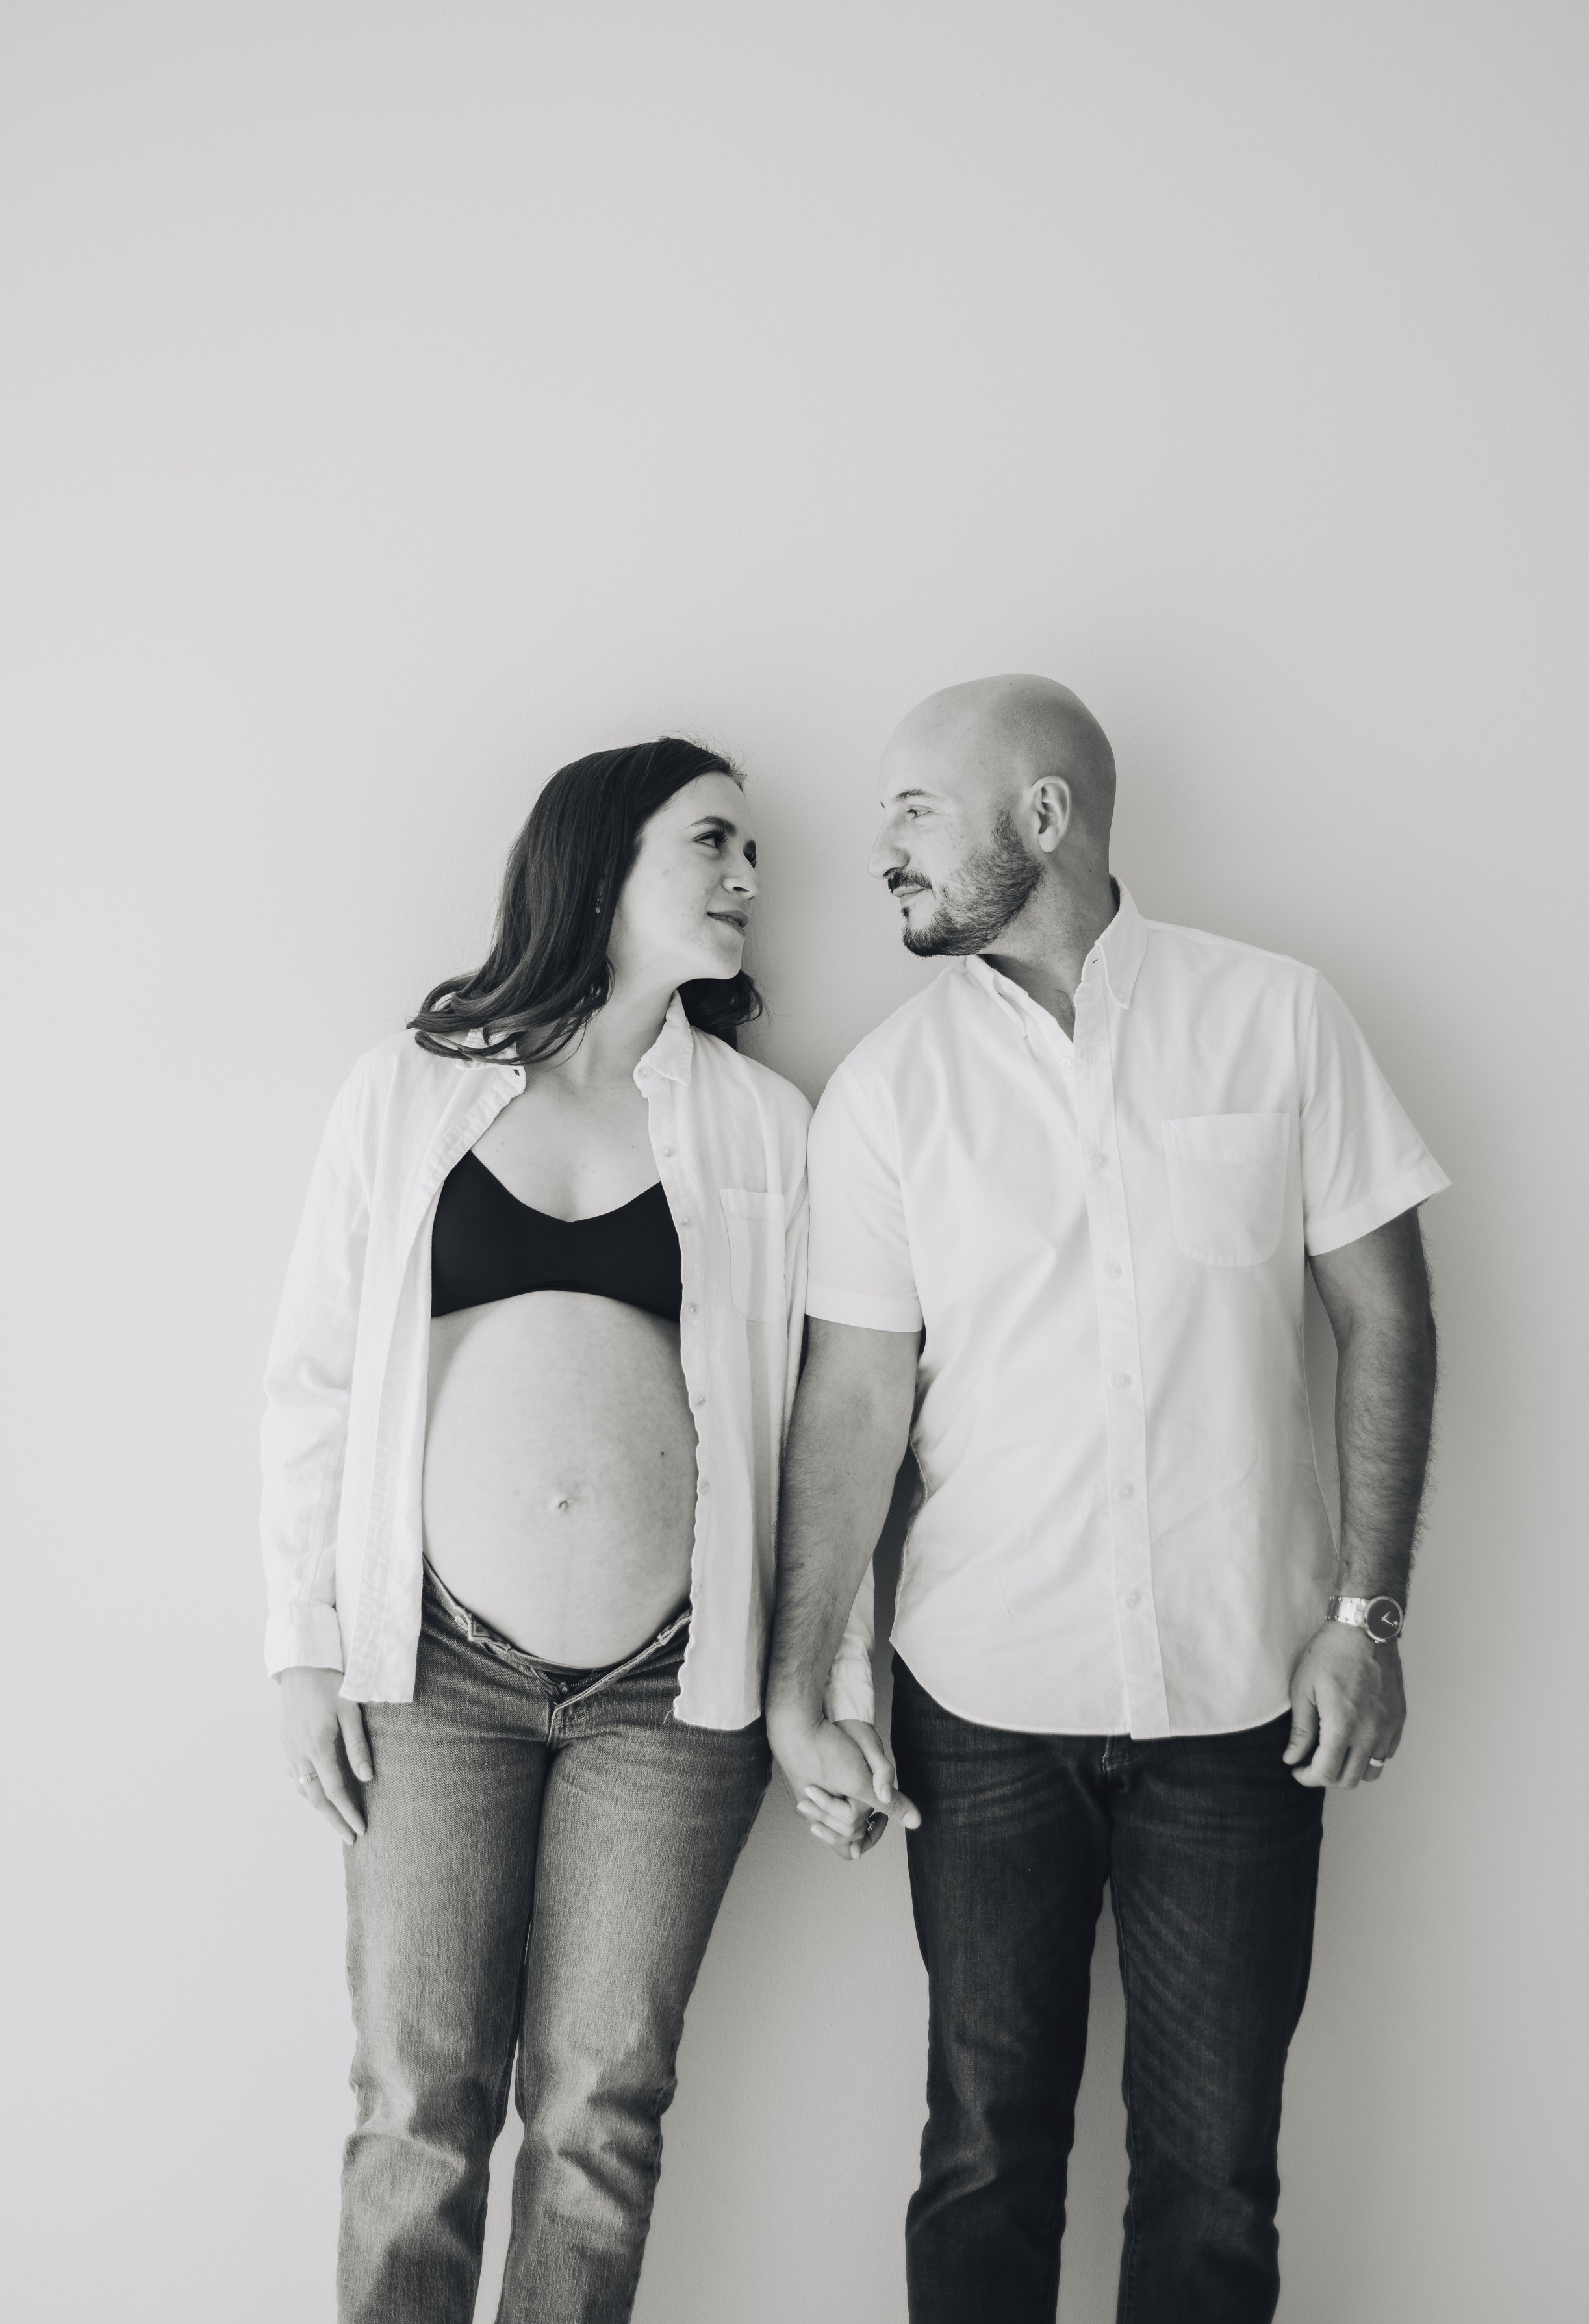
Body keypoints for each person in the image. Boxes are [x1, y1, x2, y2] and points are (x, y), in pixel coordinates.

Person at [766, 675, 1447, 2323]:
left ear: (1044, 815)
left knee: (1215, 2181)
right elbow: (852, 1404)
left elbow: (1386, 1316)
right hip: (979, 1709)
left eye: (913, 812)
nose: (884, 853)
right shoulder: (885, 1093)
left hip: (1239, 1703)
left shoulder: (1276, 1019)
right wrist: (799, 1685)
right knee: (984, 2160)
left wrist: (1365, 1617)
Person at [262, 735, 825, 2324]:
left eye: (751, 856)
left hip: (672, 1695)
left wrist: (821, 1684)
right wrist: (301, 1646)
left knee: (600, 2116)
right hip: (432, 1672)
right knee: (417, 2108)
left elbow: (836, 1411)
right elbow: (309, 1380)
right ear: (600, 864)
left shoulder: (765, 1128)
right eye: (712, 844)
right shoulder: (409, 1089)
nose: (746, 880)